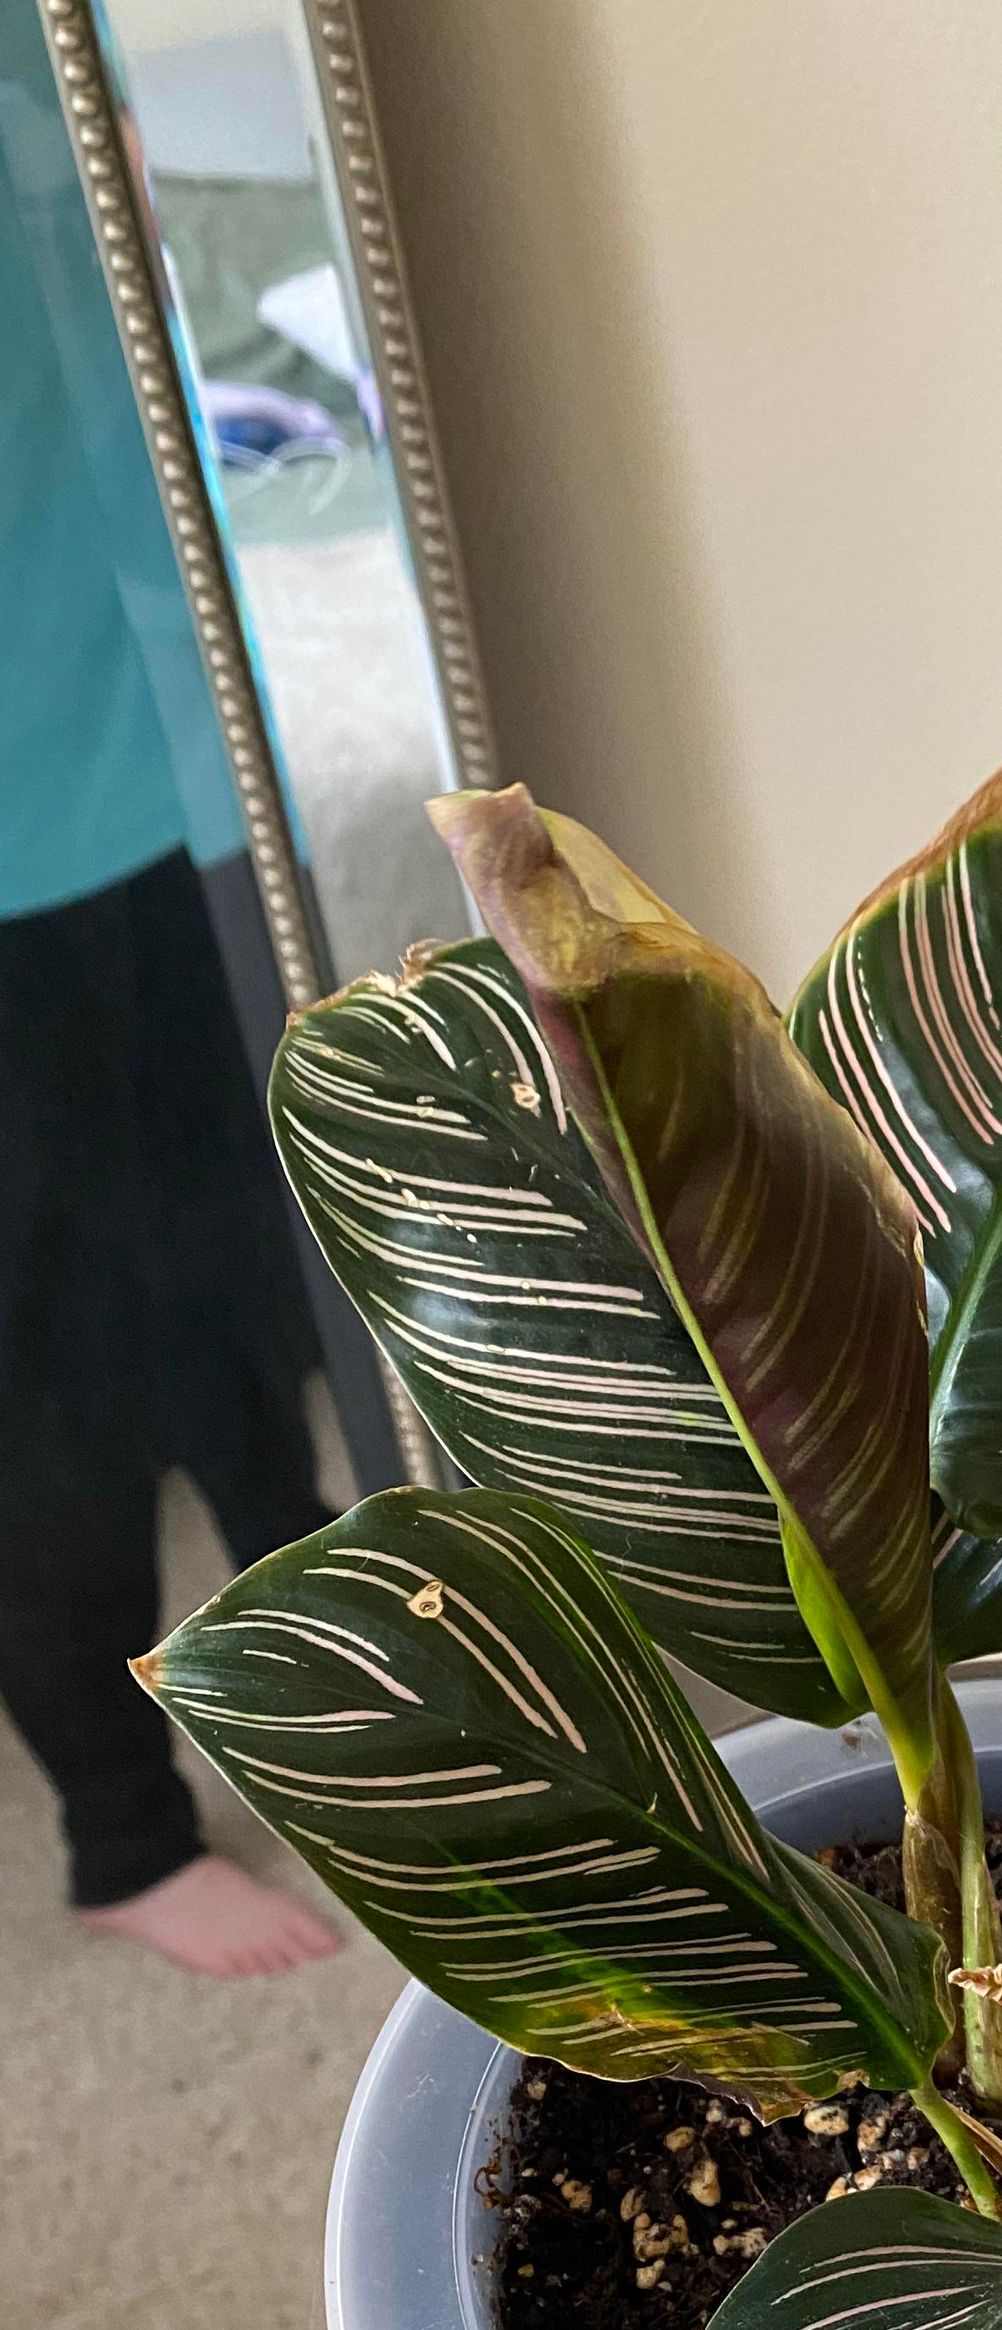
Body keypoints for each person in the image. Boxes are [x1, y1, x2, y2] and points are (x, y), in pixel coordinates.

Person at [0, 10, 337, 1977]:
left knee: (229, 1241)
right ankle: (122, 1833)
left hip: (171, 726)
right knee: (51, 1360)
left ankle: (306, 1641)